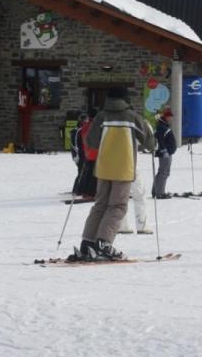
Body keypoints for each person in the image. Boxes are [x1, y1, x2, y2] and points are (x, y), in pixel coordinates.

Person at [76, 86, 156, 261]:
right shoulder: (133, 117)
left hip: (103, 168)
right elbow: (150, 142)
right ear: (125, 99)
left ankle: (87, 243)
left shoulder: (101, 116)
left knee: (100, 205)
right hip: (123, 168)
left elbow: (91, 141)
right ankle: (104, 243)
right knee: (118, 206)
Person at [72, 112, 98, 200]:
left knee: (85, 172)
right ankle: (78, 190)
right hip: (83, 154)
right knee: (83, 172)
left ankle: (82, 189)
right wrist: (76, 155)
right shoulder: (79, 129)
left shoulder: (87, 127)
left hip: (87, 154)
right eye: (84, 120)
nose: (86, 121)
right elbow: (75, 143)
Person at [152, 110, 177, 199]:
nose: (171, 119)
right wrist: (164, 151)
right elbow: (161, 140)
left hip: (167, 152)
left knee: (161, 172)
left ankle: (156, 190)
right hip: (165, 153)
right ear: (166, 117)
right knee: (164, 172)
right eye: (170, 117)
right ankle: (160, 192)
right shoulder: (162, 127)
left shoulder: (163, 125)